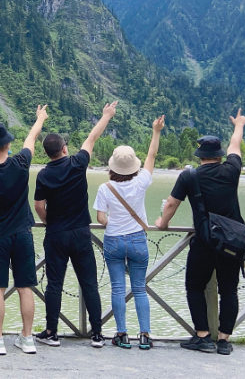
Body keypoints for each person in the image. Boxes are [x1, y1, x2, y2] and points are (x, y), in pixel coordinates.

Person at [156, 109, 245, 356]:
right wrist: (238, 125)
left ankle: (203, 337)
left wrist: (162, 223)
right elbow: (235, 146)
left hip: (205, 242)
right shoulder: (232, 170)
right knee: (229, 290)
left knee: (194, 287)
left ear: (199, 155)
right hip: (232, 242)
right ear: (219, 155)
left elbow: (171, 204)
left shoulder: (189, 176)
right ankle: (224, 341)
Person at [34, 101, 118, 348]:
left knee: (54, 285)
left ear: (47, 153)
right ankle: (97, 334)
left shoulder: (44, 175)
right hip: (81, 233)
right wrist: (106, 115)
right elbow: (93, 137)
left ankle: (51, 332)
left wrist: (50, 221)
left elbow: (39, 206)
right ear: (64, 148)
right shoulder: (77, 163)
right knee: (89, 283)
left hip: (57, 234)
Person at [0, 106, 48, 356]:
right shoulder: (20, 162)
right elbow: (31, 138)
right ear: (7, 144)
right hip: (22, 235)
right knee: (25, 286)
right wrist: (39, 117)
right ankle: (27, 338)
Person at [94, 115, 164, 350]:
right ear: (134, 165)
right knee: (139, 288)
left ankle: (121, 334)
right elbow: (152, 156)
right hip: (137, 240)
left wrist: (113, 221)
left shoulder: (105, 188)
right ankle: (144, 335)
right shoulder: (141, 181)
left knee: (117, 287)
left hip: (113, 240)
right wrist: (156, 131)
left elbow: (101, 218)